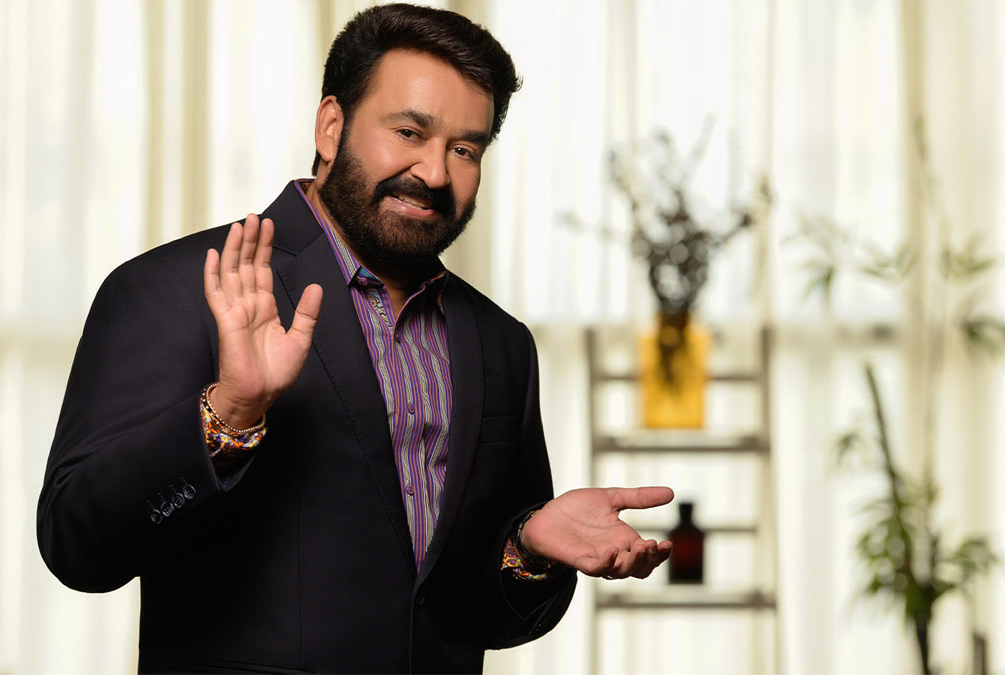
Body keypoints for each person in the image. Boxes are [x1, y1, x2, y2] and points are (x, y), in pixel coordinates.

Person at [37, 4, 673, 673]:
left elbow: (468, 614)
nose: (434, 172)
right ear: (331, 127)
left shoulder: (501, 344)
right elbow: (77, 547)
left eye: (464, 149)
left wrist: (528, 551)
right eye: (409, 132)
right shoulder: (177, 288)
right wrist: (228, 416)